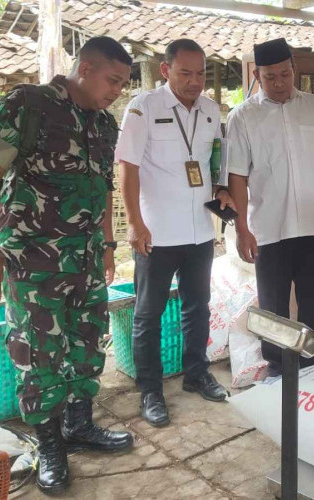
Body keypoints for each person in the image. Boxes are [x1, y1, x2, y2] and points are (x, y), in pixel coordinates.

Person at [0, 37, 134, 494]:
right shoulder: (28, 105)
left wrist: (107, 244)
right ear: (85, 68)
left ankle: (79, 425)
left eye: (124, 85)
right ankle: (50, 444)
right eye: (113, 81)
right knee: (39, 350)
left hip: (85, 256)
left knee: (88, 339)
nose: (117, 92)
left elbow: (103, 187)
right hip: (33, 260)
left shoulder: (104, 124)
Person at [116, 39, 234, 428]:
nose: (195, 81)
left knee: (197, 305)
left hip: (200, 230)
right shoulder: (143, 108)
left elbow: (213, 159)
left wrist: (220, 188)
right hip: (156, 232)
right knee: (148, 313)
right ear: (166, 71)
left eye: (201, 73)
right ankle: (150, 390)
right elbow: (127, 169)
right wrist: (135, 222)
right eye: (185, 73)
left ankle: (196, 374)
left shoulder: (212, 110)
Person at [226, 38, 314, 373]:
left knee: (312, 300)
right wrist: (242, 229)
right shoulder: (243, 116)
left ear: (294, 69)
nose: (279, 83)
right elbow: (237, 175)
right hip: (269, 226)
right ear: (257, 75)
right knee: (273, 306)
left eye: (284, 74)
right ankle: (278, 369)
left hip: (311, 222)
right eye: (269, 77)